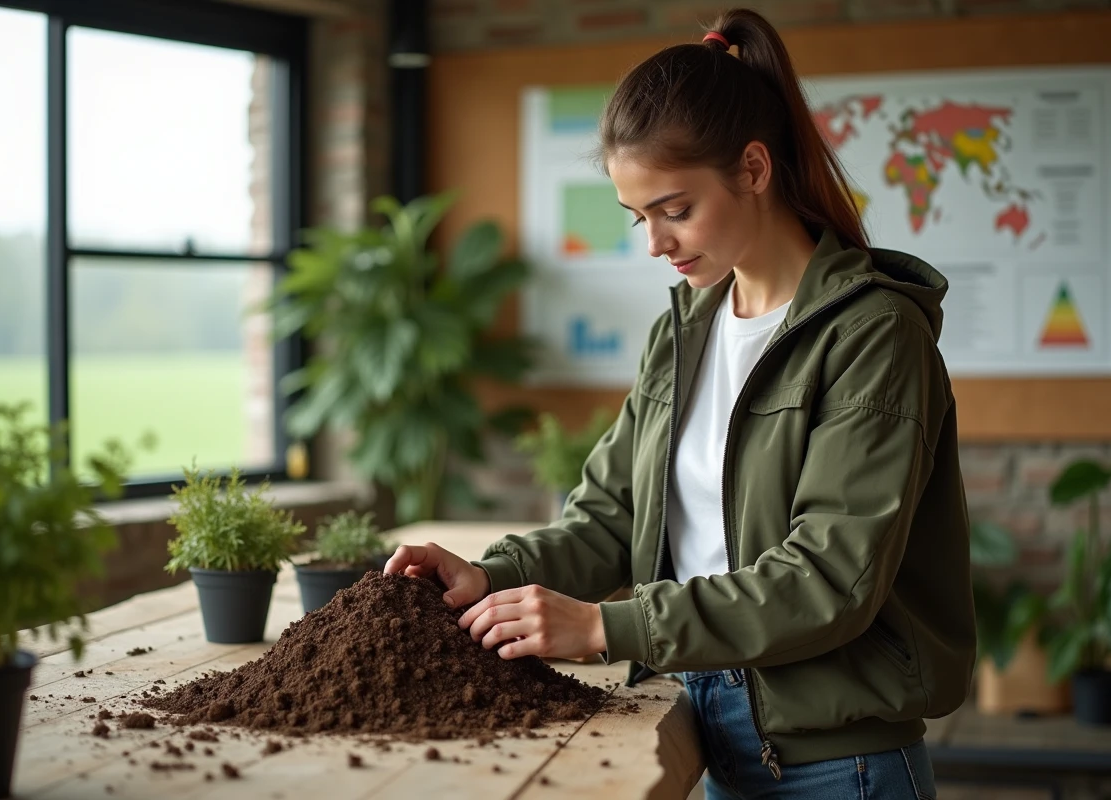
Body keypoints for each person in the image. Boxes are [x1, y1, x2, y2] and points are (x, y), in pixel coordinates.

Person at [385, 7, 974, 798]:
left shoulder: (873, 336)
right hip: (703, 725)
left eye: (675, 209)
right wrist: (490, 580)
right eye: (639, 218)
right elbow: (610, 517)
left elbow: (828, 580)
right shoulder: (685, 334)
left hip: (840, 761)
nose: (656, 243)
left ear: (755, 170)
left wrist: (604, 627)